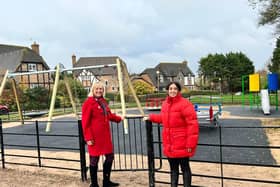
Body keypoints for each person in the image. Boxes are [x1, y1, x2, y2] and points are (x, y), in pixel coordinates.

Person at [145, 81, 199, 187]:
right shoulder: (166, 104)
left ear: (178, 90)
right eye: (170, 88)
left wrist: (190, 144)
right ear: (167, 90)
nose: (172, 91)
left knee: (185, 168)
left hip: (182, 142)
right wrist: (151, 117)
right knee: (173, 169)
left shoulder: (185, 104)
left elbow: (192, 125)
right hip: (170, 143)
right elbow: (164, 118)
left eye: (175, 89)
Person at [82, 82, 123, 187]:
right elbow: (85, 122)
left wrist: (119, 118)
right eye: (97, 89)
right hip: (94, 137)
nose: (99, 91)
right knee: (94, 160)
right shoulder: (88, 103)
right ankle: (94, 184)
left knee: (110, 157)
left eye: (101, 89)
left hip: (105, 137)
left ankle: (106, 181)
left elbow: (109, 115)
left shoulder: (103, 102)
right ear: (93, 90)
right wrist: (88, 138)